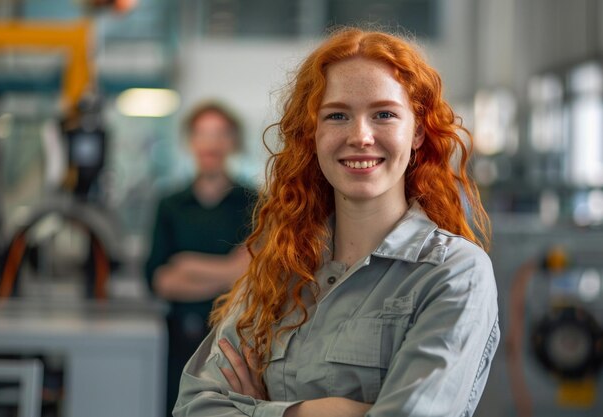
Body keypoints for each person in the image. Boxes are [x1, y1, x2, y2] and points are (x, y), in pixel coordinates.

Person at [172, 28, 500, 417]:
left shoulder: (453, 273)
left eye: (384, 114)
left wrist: (260, 409)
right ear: (312, 134)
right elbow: (194, 406)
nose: (361, 136)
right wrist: (319, 412)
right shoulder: (282, 267)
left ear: (417, 133)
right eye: (338, 115)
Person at [145, 101, 254, 417]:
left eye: (219, 134)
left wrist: (188, 266)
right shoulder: (170, 205)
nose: (211, 143)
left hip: (236, 343)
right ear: (191, 142)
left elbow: (253, 275)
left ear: (232, 142)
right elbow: (159, 280)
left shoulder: (254, 202)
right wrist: (229, 271)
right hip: (179, 341)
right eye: (202, 134)